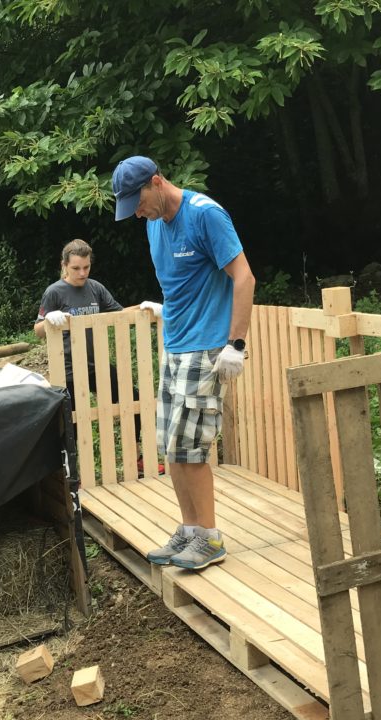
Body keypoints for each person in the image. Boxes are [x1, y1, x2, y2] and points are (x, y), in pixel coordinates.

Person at [112, 156, 255, 570]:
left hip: (208, 347)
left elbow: (244, 277)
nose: (137, 213)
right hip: (175, 346)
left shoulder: (205, 215)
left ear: (157, 182)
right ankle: (190, 530)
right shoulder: (155, 224)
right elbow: (179, 283)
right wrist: (167, 310)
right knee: (171, 444)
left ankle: (210, 538)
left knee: (191, 447)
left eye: (138, 202)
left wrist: (236, 344)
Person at [34, 238, 153, 455]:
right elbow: (38, 330)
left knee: (132, 400)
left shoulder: (95, 288)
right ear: (64, 265)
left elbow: (119, 314)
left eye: (86, 267)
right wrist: (49, 320)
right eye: (76, 268)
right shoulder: (54, 292)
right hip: (69, 368)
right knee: (72, 422)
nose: (82, 273)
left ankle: (136, 454)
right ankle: (71, 468)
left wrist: (143, 307)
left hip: (97, 364)